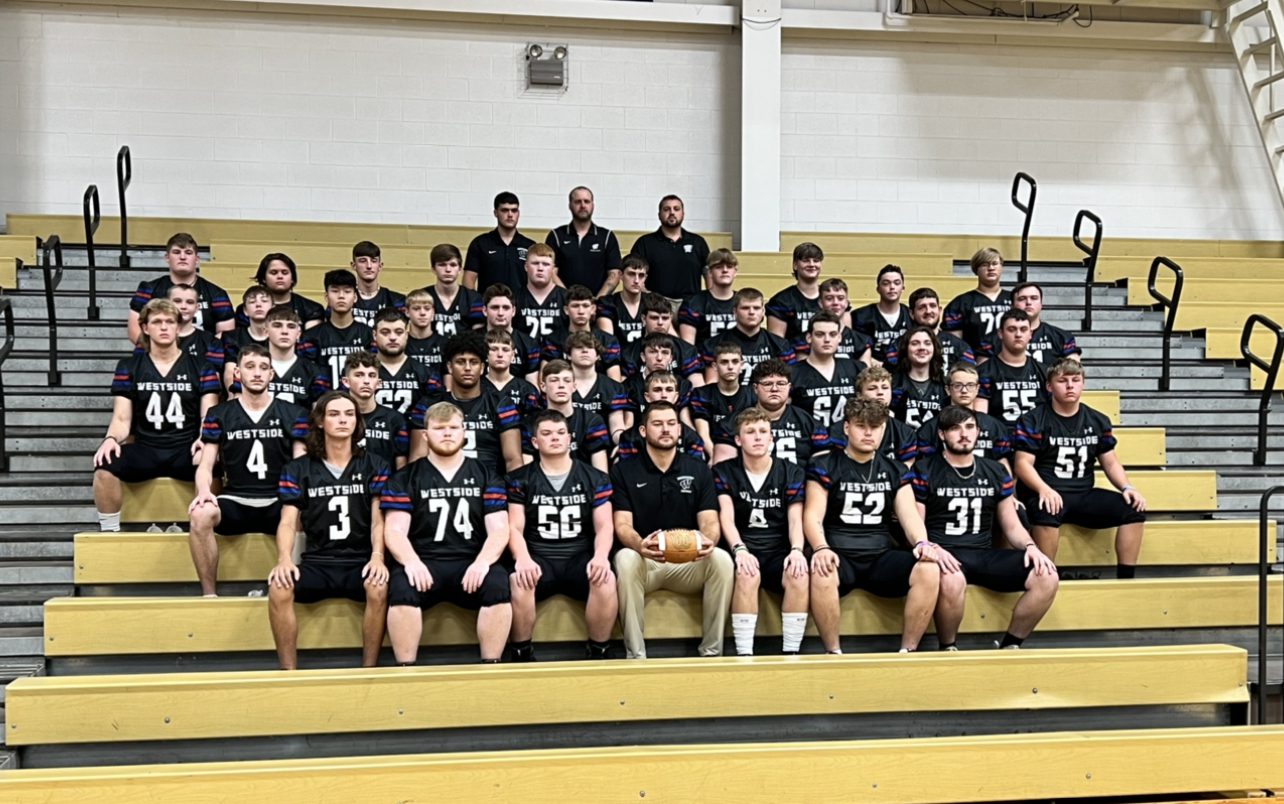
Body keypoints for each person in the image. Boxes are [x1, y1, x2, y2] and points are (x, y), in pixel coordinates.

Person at [908, 405, 1058, 650]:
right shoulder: (924, 470)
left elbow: (1011, 524)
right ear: (942, 434)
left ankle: (1010, 645)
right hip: (945, 552)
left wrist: (1031, 546)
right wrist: (933, 549)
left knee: (1047, 575)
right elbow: (916, 522)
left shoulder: (995, 470)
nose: (964, 434)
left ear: (978, 432)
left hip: (983, 552)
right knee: (952, 580)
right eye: (955, 428)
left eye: (970, 427)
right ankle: (948, 646)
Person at [804, 398, 942, 654]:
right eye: (861, 426)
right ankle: (833, 653)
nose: (868, 433)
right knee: (822, 568)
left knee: (929, 569)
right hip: (839, 553)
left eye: (875, 427)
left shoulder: (896, 469)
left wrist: (922, 543)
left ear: (884, 429)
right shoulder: (824, 465)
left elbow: (909, 516)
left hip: (880, 555)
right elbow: (812, 514)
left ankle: (908, 652)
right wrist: (821, 547)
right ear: (846, 428)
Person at [382, 401, 513, 664]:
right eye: (439, 428)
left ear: (464, 432)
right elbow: (394, 530)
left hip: (471, 560)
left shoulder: (486, 474)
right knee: (402, 587)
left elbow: (499, 529)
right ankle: (405, 669)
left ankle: (492, 667)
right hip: (425, 560)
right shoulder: (405, 478)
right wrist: (411, 562)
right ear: (425, 435)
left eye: (453, 427)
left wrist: (482, 562)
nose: (447, 433)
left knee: (498, 584)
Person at [269, 391, 390, 670]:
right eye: (334, 414)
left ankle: (368, 670)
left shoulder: (375, 465)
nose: (343, 420)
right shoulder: (298, 469)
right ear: (320, 422)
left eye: (349, 414)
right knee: (278, 587)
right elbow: (288, 521)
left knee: (379, 585)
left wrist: (377, 557)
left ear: (357, 421)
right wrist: (284, 559)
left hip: (359, 560)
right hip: (318, 561)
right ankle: (289, 672)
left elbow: (378, 520)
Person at [611, 401, 733, 658]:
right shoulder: (624, 471)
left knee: (721, 559)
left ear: (679, 429)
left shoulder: (698, 469)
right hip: (647, 562)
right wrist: (640, 545)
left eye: (671, 423)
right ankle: (636, 656)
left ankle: (712, 653)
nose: (665, 429)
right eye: (657, 424)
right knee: (624, 558)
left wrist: (709, 541)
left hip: (688, 562)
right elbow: (622, 524)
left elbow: (710, 522)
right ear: (643, 430)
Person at [190, 344, 309, 596]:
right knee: (200, 514)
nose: (257, 373)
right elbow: (206, 465)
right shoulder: (219, 414)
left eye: (264, 368)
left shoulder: (295, 413)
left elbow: (302, 466)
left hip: (279, 501)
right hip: (236, 499)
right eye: (250, 366)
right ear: (237, 373)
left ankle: (292, 590)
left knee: (303, 513)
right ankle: (209, 594)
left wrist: (298, 499)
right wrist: (203, 491)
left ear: (271, 374)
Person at [94, 299, 221, 533]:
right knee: (105, 463)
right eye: (157, 322)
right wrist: (110, 439)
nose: (164, 327)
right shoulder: (129, 366)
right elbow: (122, 419)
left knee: (211, 461)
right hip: (147, 447)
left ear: (178, 327)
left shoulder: (203, 367)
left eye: (170, 322)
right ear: (145, 327)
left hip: (185, 447)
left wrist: (204, 439)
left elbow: (209, 415)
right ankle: (109, 531)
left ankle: (204, 529)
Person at [1014, 359, 1147, 577]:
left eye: (1075, 380)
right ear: (1049, 386)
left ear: (1083, 384)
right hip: (1048, 492)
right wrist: (1043, 489)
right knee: (1046, 509)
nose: (1070, 386)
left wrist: (1127, 487)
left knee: (1134, 509)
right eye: (1062, 381)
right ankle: (1045, 577)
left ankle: (1126, 578)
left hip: (1083, 492)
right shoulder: (1034, 420)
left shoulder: (1097, 420)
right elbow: (1022, 463)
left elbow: (1110, 462)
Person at [506, 409, 617, 661]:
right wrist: (522, 558)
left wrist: (601, 556)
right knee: (519, 580)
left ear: (570, 438)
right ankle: (522, 652)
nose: (554, 438)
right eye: (546, 433)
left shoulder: (595, 478)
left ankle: (599, 650)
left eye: (560, 432)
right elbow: (514, 526)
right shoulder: (519, 479)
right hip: (539, 557)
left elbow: (604, 526)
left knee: (606, 578)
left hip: (578, 557)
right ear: (535, 442)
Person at [715, 407, 809, 656]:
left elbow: (795, 519)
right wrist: (740, 550)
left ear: (771, 438)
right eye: (750, 432)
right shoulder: (724, 471)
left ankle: (791, 653)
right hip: (743, 546)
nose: (757, 437)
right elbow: (726, 517)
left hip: (778, 549)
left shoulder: (791, 471)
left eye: (763, 431)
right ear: (738, 440)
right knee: (747, 574)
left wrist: (797, 550)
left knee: (799, 573)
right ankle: (744, 654)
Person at [407, 333, 522, 472]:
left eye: (473, 362)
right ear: (449, 367)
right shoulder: (428, 405)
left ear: (482, 368)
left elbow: (513, 460)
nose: (467, 368)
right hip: (438, 481)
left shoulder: (501, 404)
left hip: (489, 482)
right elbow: (417, 459)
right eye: (460, 362)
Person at [127, 232, 234, 344]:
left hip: (204, 354)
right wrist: (160, 351)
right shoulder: (148, 289)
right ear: (167, 257)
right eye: (176, 252)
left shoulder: (216, 294)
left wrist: (205, 352)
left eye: (188, 253)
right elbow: (135, 331)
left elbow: (225, 334)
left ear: (197, 259)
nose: (182, 257)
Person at [712, 359, 820, 466]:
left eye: (781, 383)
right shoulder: (732, 423)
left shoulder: (807, 422)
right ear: (755, 388)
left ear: (789, 387)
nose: (774, 389)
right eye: (767, 384)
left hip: (799, 477)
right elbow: (724, 468)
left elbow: (822, 462)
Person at [916, 368, 1012, 470]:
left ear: (977, 389)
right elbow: (925, 467)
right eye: (958, 385)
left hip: (985, 479)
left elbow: (1002, 464)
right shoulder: (930, 428)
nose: (964, 390)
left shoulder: (994, 426)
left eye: (970, 385)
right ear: (947, 390)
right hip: (943, 478)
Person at [790, 311, 864, 438]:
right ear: (809, 337)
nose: (827, 339)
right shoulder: (792, 373)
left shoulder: (856, 368)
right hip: (807, 440)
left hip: (848, 440)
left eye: (833, 334)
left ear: (839, 337)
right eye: (820, 334)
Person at [700, 288, 794, 386]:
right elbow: (712, 384)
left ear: (763, 311)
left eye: (756, 308)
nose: (751, 312)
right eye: (745, 308)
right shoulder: (713, 344)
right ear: (735, 312)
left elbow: (788, 382)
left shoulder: (780, 345)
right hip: (729, 395)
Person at [629, 194, 710, 306]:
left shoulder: (698, 242)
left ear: (683, 214)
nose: (672, 212)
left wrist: (708, 302)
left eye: (676, 209)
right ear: (659, 215)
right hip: (655, 307)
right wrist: (649, 298)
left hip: (691, 307)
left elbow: (709, 274)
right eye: (666, 209)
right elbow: (633, 275)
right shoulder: (644, 243)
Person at [299, 269, 374, 387]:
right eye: (335, 291)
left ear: (355, 297)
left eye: (347, 291)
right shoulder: (311, 336)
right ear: (326, 297)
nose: (341, 296)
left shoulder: (368, 334)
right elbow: (306, 374)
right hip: (324, 397)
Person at [531, 360, 610, 472]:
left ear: (574, 386)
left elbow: (601, 473)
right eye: (554, 380)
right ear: (543, 386)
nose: (561, 385)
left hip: (584, 481)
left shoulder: (592, 421)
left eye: (567, 381)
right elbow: (527, 472)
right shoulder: (531, 422)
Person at [980, 282, 1081, 368]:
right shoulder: (991, 340)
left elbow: (1074, 374)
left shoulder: (1062, 337)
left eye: (1034, 298)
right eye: (1022, 299)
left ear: (1041, 303)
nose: (1028, 302)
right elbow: (982, 374)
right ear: (1012, 305)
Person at [546, 186, 623, 296]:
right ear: (570, 205)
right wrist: (568, 298)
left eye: (586, 201)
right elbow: (551, 272)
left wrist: (597, 300)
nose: (582, 205)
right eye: (578, 202)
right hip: (564, 302)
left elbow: (614, 274)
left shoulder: (606, 237)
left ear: (593, 205)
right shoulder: (556, 236)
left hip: (599, 302)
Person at [976, 309, 1046, 429]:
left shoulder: (1044, 371)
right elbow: (981, 418)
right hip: (999, 437)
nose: (1018, 334)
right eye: (1012, 329)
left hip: (1036, 436)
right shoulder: (984, 372)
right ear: (1000, 333)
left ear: (1030, 334)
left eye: (1023, 329)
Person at [341, 352, 410, 471]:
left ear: (379, 383)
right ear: (346, 382)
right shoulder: (337, 418)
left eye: (372, 375)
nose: (366, 381)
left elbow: (401, 467)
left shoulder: (395, 419)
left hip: (385, 482)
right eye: (359, 375)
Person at [617, 371, 706, 461]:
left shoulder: (692, 439)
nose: (664, 395)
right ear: (647, 397)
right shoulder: (629, 438)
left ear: (676, 397)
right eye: (657, 390)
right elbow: (629, 469)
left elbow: (695, 469)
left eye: (669, 390)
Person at [542, 284, 624, 381]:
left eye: (585, 306)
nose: (581, 311)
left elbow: (614, 381)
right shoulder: (553, 340)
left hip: (600, 389)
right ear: (566, 310)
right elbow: (545, 378)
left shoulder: (608, 340)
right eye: (575, 306)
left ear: (593, 309)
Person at [690, 341, 756, 460]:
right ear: (715, 366)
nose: (730, 367)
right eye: (724, 362)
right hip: (713, 452)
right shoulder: (701, 394)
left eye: (735, 362)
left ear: (742, 365)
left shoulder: (753, 394)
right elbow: (703, 433)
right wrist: (715, 456)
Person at [622, 293, 704, 386]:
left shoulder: (686, 350)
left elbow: (698, 387)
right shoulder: (629, 352)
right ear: (644, 319)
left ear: (671, 319)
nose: (660, 323)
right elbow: (622, 388)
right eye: (654, 318)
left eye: (665, 318)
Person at [370, 308, 440, 417]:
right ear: (375, 335)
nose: (392, 338)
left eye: (399, 332)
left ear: (407, 334)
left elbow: (435, 414)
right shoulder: (360, 372)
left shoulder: (426, 374)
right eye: (385, 332)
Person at [885, 288, 975, 370]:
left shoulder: (960, 347)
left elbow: (970, 377)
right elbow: (889, 378)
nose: (928, 311)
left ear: (939, 310)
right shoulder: (898, 346)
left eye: (932, 306)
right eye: (922, 307)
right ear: (912, 313)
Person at [568, 331, 631, 447]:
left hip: (603, 447)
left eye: (590, 347)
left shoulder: (613, 387)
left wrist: (621, 445)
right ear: (568, 355)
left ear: (598, 355)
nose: (585, 351)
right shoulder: (559, 385)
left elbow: (617, 428)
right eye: (579, 347)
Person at [464, 191, 535, 292]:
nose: (510, 215)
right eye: (505, 210)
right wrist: (476, 302)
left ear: (518, 213)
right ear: (495, 213)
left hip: (521, 302)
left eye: (514, 210)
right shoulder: (480, 244)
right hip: (489, 302)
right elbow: (469, 280)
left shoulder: (530, 246)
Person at [233, 252, 325, 330]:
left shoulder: (311, 309)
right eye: (274, 272)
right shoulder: (246, 309)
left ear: (292, 278)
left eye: (285, 272)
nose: (280, 276)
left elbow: (311, 339)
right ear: (263, 278)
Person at [945, 247, 1012, 351]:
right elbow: (955, 345)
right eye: (985, 264)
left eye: (995, 263)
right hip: (975, 359)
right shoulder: (961, 303)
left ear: (1001, 267)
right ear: (976, 269)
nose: (991, 268)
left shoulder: (1015, 299)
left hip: (1010, 358)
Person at [258, 305, 326, 407]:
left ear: (298, 333)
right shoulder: (253, 368)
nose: (284, 332)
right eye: (277, 325)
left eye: (291, 326)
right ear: (266, 331)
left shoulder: (313, 372)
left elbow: (318, 412)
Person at [622, 333, 694, 422]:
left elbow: (684, 421)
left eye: (665, 352)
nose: (659, 358)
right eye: (653, 352)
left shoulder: (683, 385)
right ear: (643, 356)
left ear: (671, 358)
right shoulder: (629, 386)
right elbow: (628, 425)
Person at [766, 242, 824, 351]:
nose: (812, 264)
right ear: (795, 265)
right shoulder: (781, 301)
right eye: (806, 260)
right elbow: (777, 344)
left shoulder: (832, 298)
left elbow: (845, 335)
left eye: (816, 260)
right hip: (794, 359)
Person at [851, 265, 911, 365]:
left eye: (897, 283)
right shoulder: (861, 316)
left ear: (903, 288)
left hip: (905, 370)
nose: (892, 287)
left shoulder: (911, 315)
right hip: (871, 369)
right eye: (886, 283)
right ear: (878, 289)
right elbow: (856, 348)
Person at [890, 326, 947, 429]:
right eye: (915, 343)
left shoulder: (945, 384)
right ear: (905, 349)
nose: (922, 347)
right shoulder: (892, 383)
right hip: (903, 439)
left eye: (927, 343)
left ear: (934, 348)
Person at [481, 284, 542, 380]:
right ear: (485, 310)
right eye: (495, 307)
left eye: (506, 308)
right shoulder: (471, 341)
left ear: (513, 311)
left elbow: (532, 383)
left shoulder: (529, 344)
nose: (500, 313)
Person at [679, 248, 738, 346]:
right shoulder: (694, 303)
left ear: (735, 272)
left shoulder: (743, 302)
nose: (725, 270)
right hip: (703, 355)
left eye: (729, 267)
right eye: (719, 267)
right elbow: (688, 347)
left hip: (738, 355)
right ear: (710, 272)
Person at [160, 282, 225, 372]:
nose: (183, 306)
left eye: (190, 302)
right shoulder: (152, 339)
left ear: (197, 307)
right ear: (167, 305)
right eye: (177, 301)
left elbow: (213, 377)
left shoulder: (211, 342)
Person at [425, 243, 485, 338]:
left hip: (464, 347)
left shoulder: (474, 299)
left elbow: (478, 336)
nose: (448, 269)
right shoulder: (423, 297)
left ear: (460, 269)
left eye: (453, 265)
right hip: (430, 347)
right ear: (433, 269)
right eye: (442, 265)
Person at [482, 329, 542, 419]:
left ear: (513, 355)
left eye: (505, 350)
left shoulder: (527, 390)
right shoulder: (476, 387)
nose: (500, 354)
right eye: (494, 349)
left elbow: (532, 422)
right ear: (486, 354)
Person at [221, 286, 274, 386]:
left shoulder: (280, 337)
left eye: (264, 301)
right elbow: (230, 373)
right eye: (252, 302)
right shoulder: (232, 337)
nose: (258, 305)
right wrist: (234, 393)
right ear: (245, 310)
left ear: (273, 307)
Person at [516, 243, 567, 341]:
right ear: (526, 266)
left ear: (553, 269)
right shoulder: (515, 298)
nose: (540, 268)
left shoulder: (566, 298)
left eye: (546, 264)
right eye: (535, 263)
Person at [350, 241, 406, 327]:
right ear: (353, 265)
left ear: (380, 266)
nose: (369, 266)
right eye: (362, 261)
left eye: (374, 261)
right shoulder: (344, 299)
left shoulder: (396, 300)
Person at [596, 255, 650, 345]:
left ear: (645, 278)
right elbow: (608, 342)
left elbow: (662, 338)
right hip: (617, 353)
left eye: (641, 275)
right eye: (631, 274)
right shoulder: (607, 303)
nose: (636, 280)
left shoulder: (653, 302)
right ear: (621, 275)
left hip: (647, 353)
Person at [819, 278, 874, 365]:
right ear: (820, 303)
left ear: (847, 303)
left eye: (840, 298)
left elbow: (866, 373)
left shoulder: (861, 341)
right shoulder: (808, 340)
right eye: (829, 298)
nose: (835, 302)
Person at [403, 289, 446, 377]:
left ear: (433, 312)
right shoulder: (400, 342)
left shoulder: (445, 343)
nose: (422, 313)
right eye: (416, 308)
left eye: (427, 308)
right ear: (407, 312)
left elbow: (448, 375)